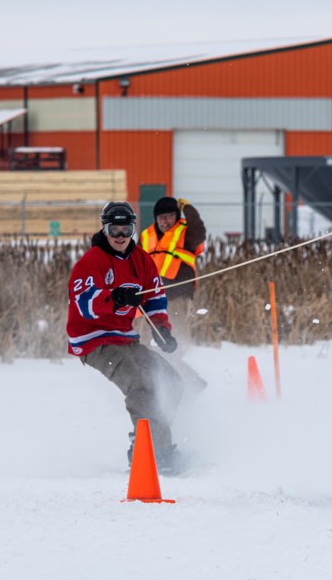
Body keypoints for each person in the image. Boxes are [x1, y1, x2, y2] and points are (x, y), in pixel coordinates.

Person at [67, 201, 188, 473]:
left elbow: (154, 298)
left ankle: (146, 443)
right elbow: (84, 304)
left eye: (126, 230)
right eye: (114, 230)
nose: (120, 237)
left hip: (125, 338)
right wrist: (114, 297)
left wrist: (162, 330)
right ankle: (157, 456)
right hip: (94, 341)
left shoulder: (141, 260)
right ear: (105, 230)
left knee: (172, 383)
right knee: (141, 388)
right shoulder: (92, 262)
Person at [139, 196, 207, 391]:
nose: (165, 221)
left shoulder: (186, 233)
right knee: (145, 347)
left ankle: (183, 386)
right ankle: (188, 383)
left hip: (176, 298)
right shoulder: (145, 236)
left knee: (173, 345)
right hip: (150, 302)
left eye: (169, 216)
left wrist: (188, 208)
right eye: (161, 217)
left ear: (176, 216)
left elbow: (200, 232)